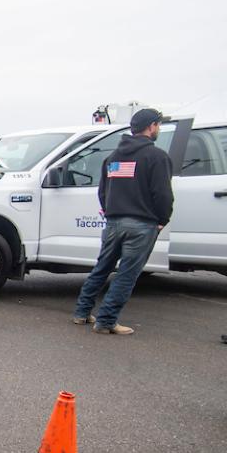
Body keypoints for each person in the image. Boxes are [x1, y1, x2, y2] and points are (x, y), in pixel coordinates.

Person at [72, 108, 173, 336]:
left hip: (113, 223)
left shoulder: (113, 157)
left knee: (102, 268)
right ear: (151, 127)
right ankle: (106, 321)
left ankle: (81, 312)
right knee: (127, 274)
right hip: (141, 225)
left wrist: (111, 212)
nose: (158, 129)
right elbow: (163, 194)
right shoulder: (157, 157)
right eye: (158, 125)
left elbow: (103, 192)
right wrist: (162, 220)